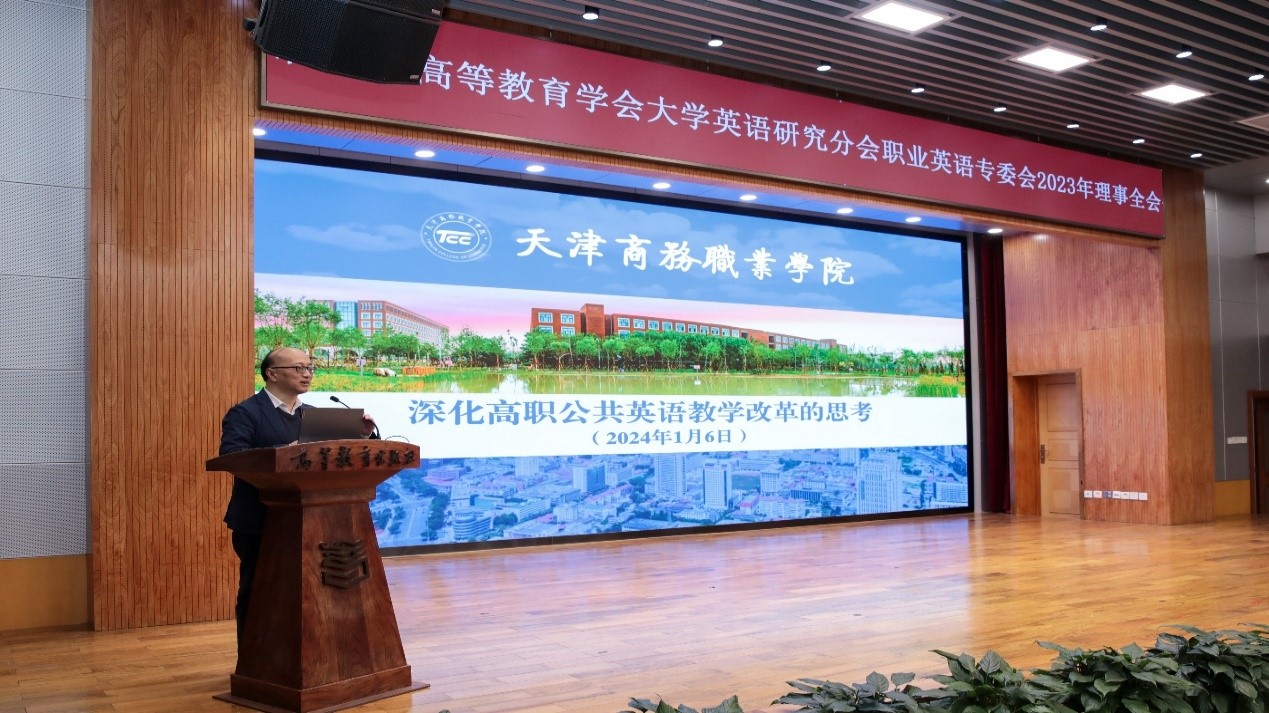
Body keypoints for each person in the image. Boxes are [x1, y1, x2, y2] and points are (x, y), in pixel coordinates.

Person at [219, 346, 376, 644]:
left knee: (307, 594)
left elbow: (333, 457)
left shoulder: (315, 416)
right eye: (298, 368)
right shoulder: (246, 413)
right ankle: (254, 660)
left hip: (314, 521)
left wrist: (363, 435)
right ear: (272, 373)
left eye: (310, 368)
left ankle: (300, 657)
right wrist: (285, 453)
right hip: (261, 520)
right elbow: (231, 456)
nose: (307, 374)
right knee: (260, 591)